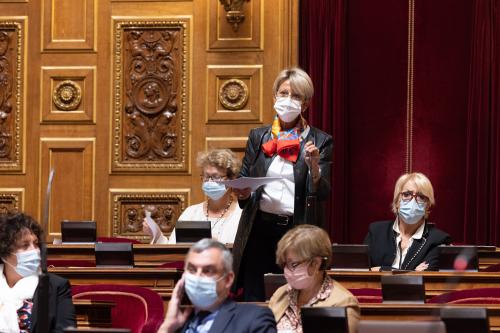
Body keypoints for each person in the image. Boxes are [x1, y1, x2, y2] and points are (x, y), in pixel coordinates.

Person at [232, 67, 333, 301]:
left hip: (296, 230)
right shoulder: (259, 136)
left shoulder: (320, 140)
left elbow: (324, 192)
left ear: (305, 104)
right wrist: (242, 192)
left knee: (294, 299)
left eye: (296, 96)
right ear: (274, 97)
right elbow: (245, 181)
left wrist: (314, 166)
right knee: (255, 299)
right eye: (284, 93)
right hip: (258, 230)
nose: (288, 100)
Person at [157, 238, 277, 333]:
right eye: (192, 270)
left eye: (208, 271)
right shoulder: (176, 324)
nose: (198, 277)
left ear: (228, 279)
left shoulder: (254, 318)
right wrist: (167, 327)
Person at [269, 225, 360, 333]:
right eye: (284, 264)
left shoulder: (342, 303)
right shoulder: (281, 294)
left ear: (316, 263)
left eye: (293, 264)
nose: (286, 271)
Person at [143, 149, 242, 244]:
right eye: (206, 177)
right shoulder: (191, 213)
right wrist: (157, 235)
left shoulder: (241, 214)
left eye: (216, 177)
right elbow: (174, 251)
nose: (210, 182)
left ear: (231, 179)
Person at [0, 212, 76, 332]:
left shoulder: (56, 286)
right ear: (4, 253)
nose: (34, 250)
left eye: (35, 243)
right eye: (25, 245)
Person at [364, 172, 452, 271]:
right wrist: (413, 272)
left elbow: (427, 274)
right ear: (397, 200)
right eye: (406, 194)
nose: (413, 201)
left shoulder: (439, 239)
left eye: (421, 197)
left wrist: (380, 269)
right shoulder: (376, 231)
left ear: (427, 205)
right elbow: (361, 270)